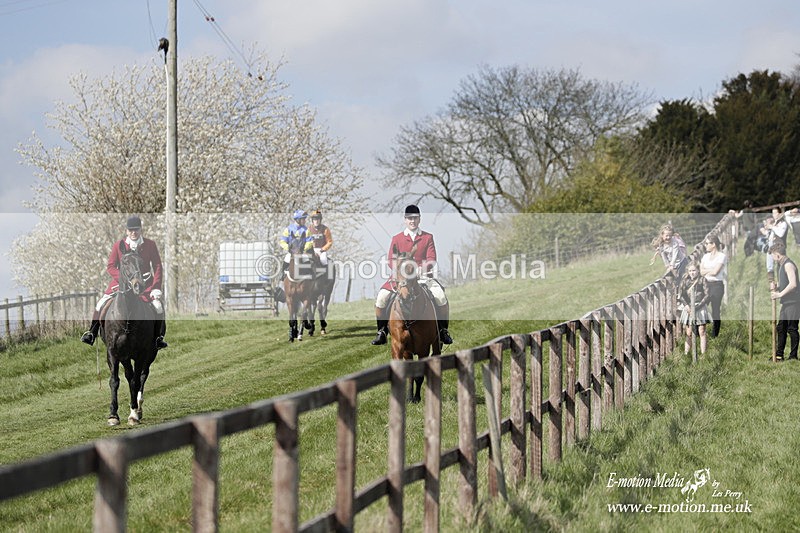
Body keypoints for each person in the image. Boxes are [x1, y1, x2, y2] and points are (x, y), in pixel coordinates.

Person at [371, 204, 453, 346]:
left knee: (440, 297)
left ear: (419, 219)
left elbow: (431, 259)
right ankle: (382, 331)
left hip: (423, 277)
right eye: (409, 218)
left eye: (415, 218)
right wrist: (401, 270)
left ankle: (442, 330)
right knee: (381, 298)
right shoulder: (397, 239)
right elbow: (391, 259)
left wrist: (419, 270)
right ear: (405, 220)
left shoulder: (427, 237)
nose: (412, 221)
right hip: (401, 278)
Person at [81, 215, 167, 349]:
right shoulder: (118, 246)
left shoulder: (150, 244)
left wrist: (156, 286)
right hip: (121, 283)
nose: (134, 232)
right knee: (100, 304)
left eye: (136, 230)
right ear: (127, 231)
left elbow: (157, 266)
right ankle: (91, 333)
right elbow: (110, 267)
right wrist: (123, 280)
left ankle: (157, 338)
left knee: (158, 306)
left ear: (140, 230)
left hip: (145, 285)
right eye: (131, 230)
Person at [769, 241, 800, 361]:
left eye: (773, 256)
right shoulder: (781, 266)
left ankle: (793, 356)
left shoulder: (788, 265)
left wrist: (779, 294)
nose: (773, 259)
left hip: (794, 302)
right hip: (786, 302)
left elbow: (793, 284)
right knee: (781, 327)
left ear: (777, 254)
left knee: (792, 328)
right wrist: (777, 287)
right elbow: (786, 283)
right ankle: (779, 355)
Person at [677, 261, 712, 356]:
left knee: (702, 331)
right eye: (690, 271)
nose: (692, 273)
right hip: (688, 308)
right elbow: (681, 295)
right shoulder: (685, 281)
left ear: (698, 271)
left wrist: (698, 306)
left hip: (700, 307)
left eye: (694, 270)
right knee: (688, 332)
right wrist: (687, 306)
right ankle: (686, 354)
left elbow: (707, 295)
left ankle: (704, 355)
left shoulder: (702, 280)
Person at [700, 234, 727, 338]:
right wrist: (709, 271)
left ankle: (714, 335)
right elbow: (701, 272)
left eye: (707, 243)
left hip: (716, 285)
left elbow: (716, 272)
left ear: (713, 244)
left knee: (715, 310)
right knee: (701, 307)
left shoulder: (721, 256)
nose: (706, 246)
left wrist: (707, 271)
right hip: (705, 285)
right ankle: (701, 332)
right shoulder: (705, 256)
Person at [279, 209, 314, 280]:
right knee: (287, 258)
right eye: (303, 219)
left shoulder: (306, 230)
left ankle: (310, 275)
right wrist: (289, 248)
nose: (305, 221)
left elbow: (310, 242)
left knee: (306, 258)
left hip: (301, 252)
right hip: (292, 252)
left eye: (305, 219)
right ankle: (282, 274)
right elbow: (282, 241)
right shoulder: (288, 229)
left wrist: (303, 249)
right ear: (298, 220)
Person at [765, 207, 789, 281]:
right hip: (774, 246)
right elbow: (771, 236)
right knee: (770, 263)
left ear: (780, 213)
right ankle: (772, 281)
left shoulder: (783, 223)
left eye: (776, 213)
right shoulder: (775, 223)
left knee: (781, 266)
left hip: (780, 246)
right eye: (773, 213)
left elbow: (781, 234)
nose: (774, 215)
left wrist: (772, 227)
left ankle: (782, 283)